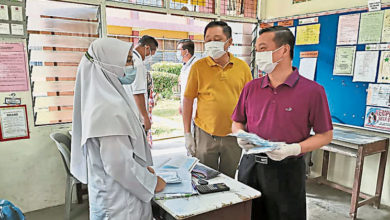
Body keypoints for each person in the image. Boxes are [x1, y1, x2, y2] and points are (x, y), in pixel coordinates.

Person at [231, 26, 333, 220]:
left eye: (262, 48)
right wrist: (240, 135)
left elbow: (325, 135)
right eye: (257, 50)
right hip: (250, 166)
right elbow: (237, 121)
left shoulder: (312, 91)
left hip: (287, 170)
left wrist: (293, 149)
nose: (258, 54)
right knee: (247, 214)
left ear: (284, 50)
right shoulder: (252, 87)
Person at [70, 38, 166, 220]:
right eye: (128, 60)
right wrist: (152, 183)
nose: (132, 66)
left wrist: (143, 167)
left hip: (112, 198)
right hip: (120, 206)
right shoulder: (107, 109)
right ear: (108, 64)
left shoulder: (104, 98)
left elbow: (122, 151)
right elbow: (118, 164)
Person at [182, 21, 253, 178]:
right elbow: (187, 99)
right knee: (203, 178)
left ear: (229, 42)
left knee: (228, 180)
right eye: (208, 39)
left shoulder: (242, 68)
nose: (211, 43)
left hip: (233, 136)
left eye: (217, 39)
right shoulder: (198, 67)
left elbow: (250, 102)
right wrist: (187, 133)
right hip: (205, 135)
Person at [124, 35, 158, 134]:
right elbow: (138, 94)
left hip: (128, 116)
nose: (150, 58)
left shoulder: (130, 59)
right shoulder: (138, 64)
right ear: (147, 47)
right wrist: (145, 118)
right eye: (151, 54)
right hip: (137, 118)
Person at [177, 39, 199, 155]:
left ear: (186, 51)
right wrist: (181, 105)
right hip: (186, 107)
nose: (177, 52)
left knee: (194, 139)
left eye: (179, 49)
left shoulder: (196, 66)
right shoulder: (185, 66)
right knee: (188, 138)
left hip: (195, 108)